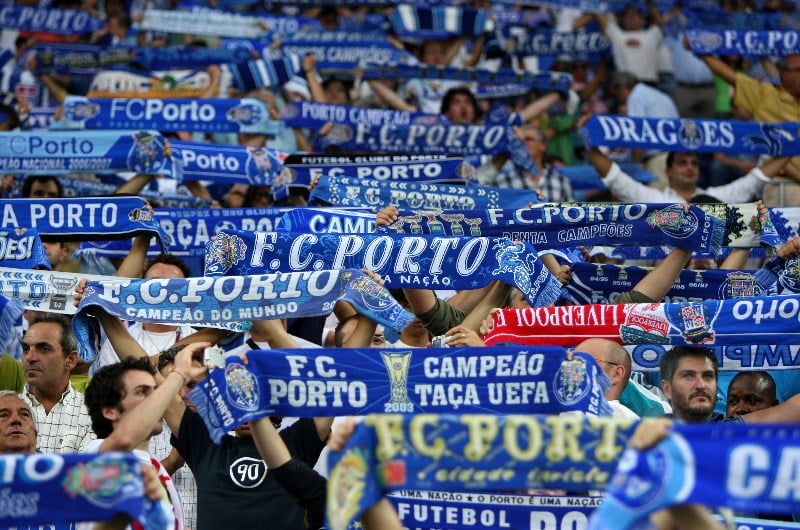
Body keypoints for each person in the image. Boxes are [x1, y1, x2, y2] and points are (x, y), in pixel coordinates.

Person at [82, 344, 210, 530]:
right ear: (110, 411)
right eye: (142, 392)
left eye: (155, 390)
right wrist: (179, 375)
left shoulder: (156, 467)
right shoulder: (95, 453)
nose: (158, 397)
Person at [583, 126, 790, 203]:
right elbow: (613, 176)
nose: (690, 167)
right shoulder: (654, 199)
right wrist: (588, 135)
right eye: (682, 163)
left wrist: (793, 146)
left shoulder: (714, 199)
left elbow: (754, 180)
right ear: (668, 170)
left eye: (694, 163)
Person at [659, 346, 800, 424]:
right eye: (688, 376)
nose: (700, 384)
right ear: (667, 389)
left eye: (708, 376)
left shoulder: (732, 430)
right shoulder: (647, 434)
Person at [20, 312, 95, 453]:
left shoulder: (91, 413)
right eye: (26, 349)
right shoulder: (5, 410)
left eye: (44, 348)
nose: (30, 357)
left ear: (71, 359)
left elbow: (86, 471)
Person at [575, 338, 639, 419]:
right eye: (570, 361)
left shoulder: (623, 418)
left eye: (584, 361)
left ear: (616, 373)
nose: (573, 368)